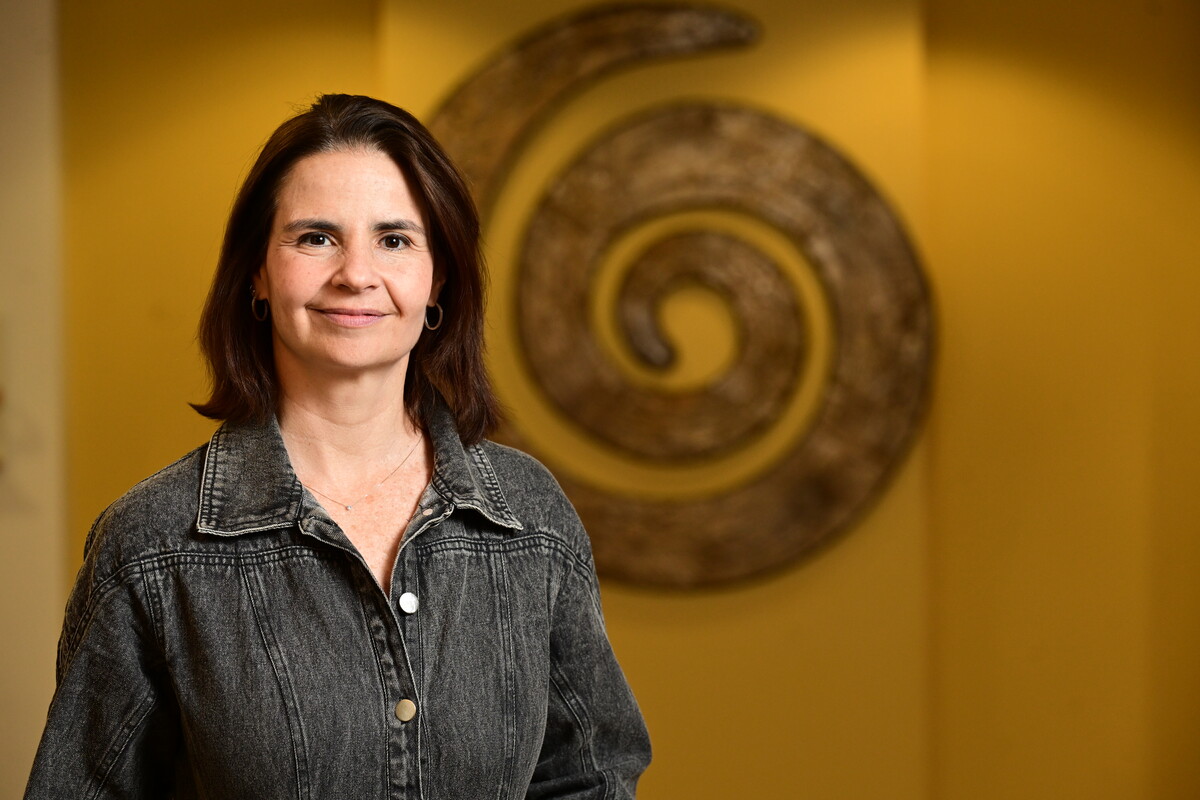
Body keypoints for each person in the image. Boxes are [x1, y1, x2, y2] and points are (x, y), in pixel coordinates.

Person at [25, 94, 650, 799]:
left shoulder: (530, 516)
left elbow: (589, 780)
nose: (356, 274)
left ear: (436, 277)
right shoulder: (154, 544)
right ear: (257, 274)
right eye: (315, 237)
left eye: (394, 239)